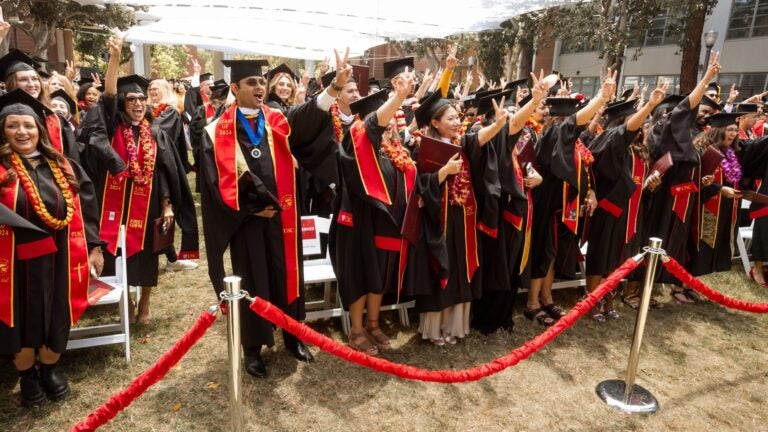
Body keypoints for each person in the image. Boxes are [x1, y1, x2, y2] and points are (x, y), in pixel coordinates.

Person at [198, 49, 347, 378]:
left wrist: (334, 87)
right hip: (247, 222)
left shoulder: (277, 120)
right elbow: (213, 184)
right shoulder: (217, 131)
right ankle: (252, 348)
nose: (259, 87)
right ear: (235, 88)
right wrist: (251, 210)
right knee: (252, 280)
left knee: (286, 275)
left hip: (284, 218)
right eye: (251, 82)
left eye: (261, 82)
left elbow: (310, 117)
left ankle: (292, 336)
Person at [0, 89, 104, 407]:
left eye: (28, 125)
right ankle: (27, 377)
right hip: (14, 264)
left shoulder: (63, 166)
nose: (22, 132)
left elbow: (85, 208)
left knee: (57, 313)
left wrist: (95, 248)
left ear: (39, 129)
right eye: (13, 125)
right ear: (3, 130)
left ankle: (50, 370)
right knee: (18, 319)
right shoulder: (2, 170)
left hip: (59, 257)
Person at [98, 34, 195, 324]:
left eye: (142, 99)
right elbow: (108, 96)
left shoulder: (154, 133)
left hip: (149, 200)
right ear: (122, 104)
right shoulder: (111, 127)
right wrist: (115, 60)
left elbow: (165, 170)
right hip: (115, 201)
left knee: (149, 254)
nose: (139, 104)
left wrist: (167, 204)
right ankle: (125, 297)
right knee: (116, 250)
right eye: (132, 99)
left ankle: (146, 302)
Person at [411, 84, 508, 345]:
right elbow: (420, 187)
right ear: (435, 122)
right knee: (440, 269)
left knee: (460, 270)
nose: (456, 122)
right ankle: (434, 329)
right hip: (437, 221)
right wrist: (444, 172)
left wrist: (498, 124)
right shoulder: (424, 149)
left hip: (463, 218)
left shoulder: (462, 143)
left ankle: (454, 327)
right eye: (450, 118)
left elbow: (481, 137)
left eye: (458, 117)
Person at [332, 73, 417, 355]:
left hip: (383, 222)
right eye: (386, 119)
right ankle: (356, 330)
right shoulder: (354, 138)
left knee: (378, 275)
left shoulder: (394, 150)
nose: (391, 123)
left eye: (394, 120)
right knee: (359, 275)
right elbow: (372, 126)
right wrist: (400, 97)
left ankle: (373, 322)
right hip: (357, 223)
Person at [470, 73, 548, 335]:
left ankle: (505, 316)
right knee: (497, 271)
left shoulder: (515, 150)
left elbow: (522, 162)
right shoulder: (489, 139)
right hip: (498, 219)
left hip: (516, 219)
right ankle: (489, 319)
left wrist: (533, 177)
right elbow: (511, 127)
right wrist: (533, 101)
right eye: (507, 115)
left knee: (511, 270)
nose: (519, 125)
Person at [583, 82, 668, 322]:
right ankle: (592, 300)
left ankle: (609, 296)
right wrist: (650, 104)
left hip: (632, 212)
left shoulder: (640, 150)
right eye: (636, 120)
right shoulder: (610, 139)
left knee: (619, 257)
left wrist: (650, 185)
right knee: (601, 256)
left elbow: (638, 180)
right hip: (611, 209)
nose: (641, 126)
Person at [644, 53, 721, 303]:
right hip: (663, 198)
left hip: (678, 198)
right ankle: (643, 287)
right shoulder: (664, 130)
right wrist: (706, 80)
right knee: (657, 239)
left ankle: (657, 285)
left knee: (669, 241)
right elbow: (684, 108)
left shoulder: (678, 135)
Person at [148, 78, 200, 271]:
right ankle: (169, 256)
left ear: (165, 90)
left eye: (157, 88)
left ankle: (172, 257)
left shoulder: (169, 111)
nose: (153, 92)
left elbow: (160, 133)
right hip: (149, 165)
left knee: (168, 209)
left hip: (167, 165)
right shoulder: (146, 109)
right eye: (150, 89)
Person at [687, 112, 744, 277]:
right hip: (702, 207)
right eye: (730, 130)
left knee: (711, 247)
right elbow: (695, 179)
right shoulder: (702, 148)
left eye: (735, 130)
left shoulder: (729, 152)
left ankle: (692, 285)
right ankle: (681, 287)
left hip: (722, 206)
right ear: (719, 130)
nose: (734, 134)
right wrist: (717, 188)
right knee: (698, 245)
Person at [0, 49, 80, 164]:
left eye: (35, 79)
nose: (32, 84)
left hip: (53, 178)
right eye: (23, 79)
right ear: (11, 83)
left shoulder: (55, 118)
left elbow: (72, 158)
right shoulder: (3, 116)